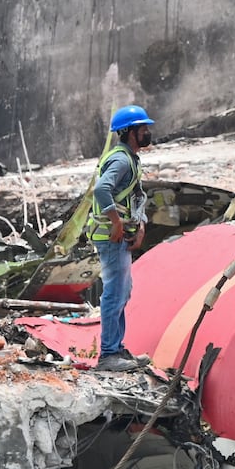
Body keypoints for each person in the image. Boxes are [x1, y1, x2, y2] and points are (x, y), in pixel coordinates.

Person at [89, 104, 155, 372]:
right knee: (114, 295)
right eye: (143, 129)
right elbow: (101, 190)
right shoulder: (121, 160)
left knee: (122, 293)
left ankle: (116, 348)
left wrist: (139, 227)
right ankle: (108, 355)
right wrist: (116, 223)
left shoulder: (130, 158)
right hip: (111, 239)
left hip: (120, 239)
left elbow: (134, 197)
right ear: (130, 132)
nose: (147, 133)